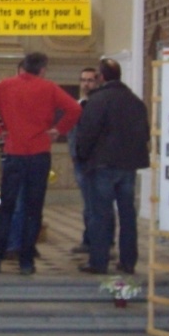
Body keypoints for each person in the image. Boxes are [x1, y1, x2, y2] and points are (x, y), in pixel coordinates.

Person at [0, 52, 81, 276]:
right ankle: (26, 261)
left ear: (24, 67)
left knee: (7, 208)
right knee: (33, 208)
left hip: (14, 152)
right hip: (39, 153)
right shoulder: (49, 88)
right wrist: (57, 130)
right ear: (42, 69)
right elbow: (75, 109)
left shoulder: (5, 85)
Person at [75, 58, 150, 275]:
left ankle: (98, 262)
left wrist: (82, 156)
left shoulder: (98, 101)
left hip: (102, 166)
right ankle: (128, 262)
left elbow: (87, 133)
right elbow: (144, 134)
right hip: (128, 167)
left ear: (101, 77)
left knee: (100, 214)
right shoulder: (136, 101)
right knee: (128, 216)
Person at [66, 66, 105, 256]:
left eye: (90, 80)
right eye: (83, 80)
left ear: (98, 82)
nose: (86, 84)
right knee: (88, 203)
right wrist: (74, 155)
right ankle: (88, 240)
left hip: (99, 161)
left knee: (99, 204)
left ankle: (101, 242)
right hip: (80, 160)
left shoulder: (101, 104)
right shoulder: (77, 105)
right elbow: (71, 133)